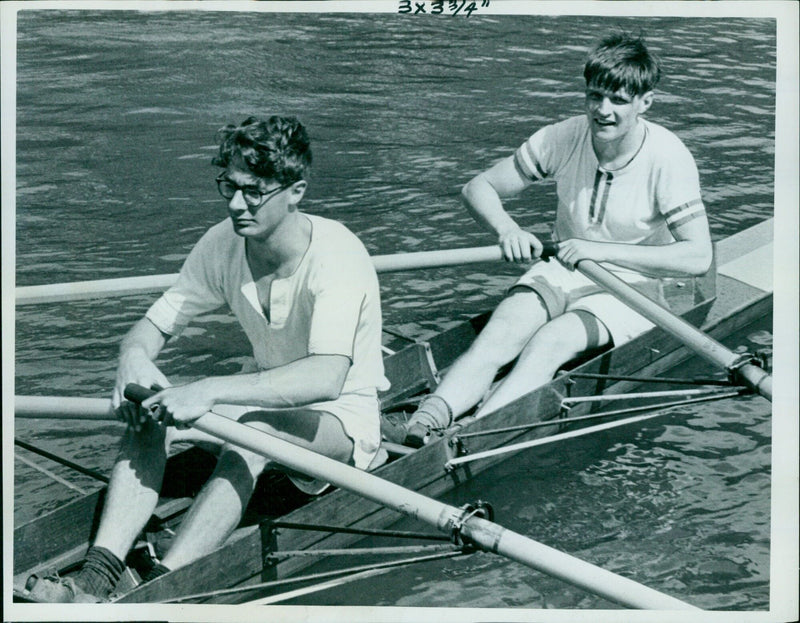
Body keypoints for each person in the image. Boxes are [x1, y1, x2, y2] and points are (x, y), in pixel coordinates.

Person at [26, 115, 389, 602]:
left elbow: (327, 376)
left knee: (256, 431)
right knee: (148, 412)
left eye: (254, 191)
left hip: (342, 423)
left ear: (296, 190)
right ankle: (95, 577)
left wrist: (210, 388)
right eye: (230, 187)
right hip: (267, 397)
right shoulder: (223, 242)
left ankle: (161, 587)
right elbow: (154, 325)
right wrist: (132, 356)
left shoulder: (338, 256)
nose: (237, 205)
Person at [403, 33, 713, 446]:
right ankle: (426, 421)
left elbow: (697, 257)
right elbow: (478, 188)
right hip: (564, 267)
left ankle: (470, 436)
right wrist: (507, 229)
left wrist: (595, 250)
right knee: (501, 332)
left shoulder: (669, 158)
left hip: (632, 287)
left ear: (645, 102)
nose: (603, 112)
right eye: (595, 96)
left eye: (619, 100)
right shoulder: (563, 137)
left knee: (550, 342)